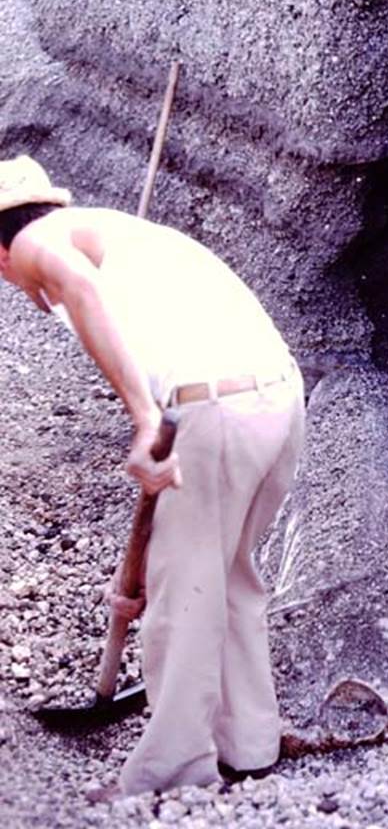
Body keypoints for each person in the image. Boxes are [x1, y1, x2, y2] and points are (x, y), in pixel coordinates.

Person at [0, 155, 305, 797]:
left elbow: (75, 288)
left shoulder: (32, 242)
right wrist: (155, 413)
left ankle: (170, 770)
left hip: (218, 407)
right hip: (276, 395)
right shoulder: (113, 234)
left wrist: (144, 422)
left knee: (179, 596)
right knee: (228, 577)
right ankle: (250, 747)